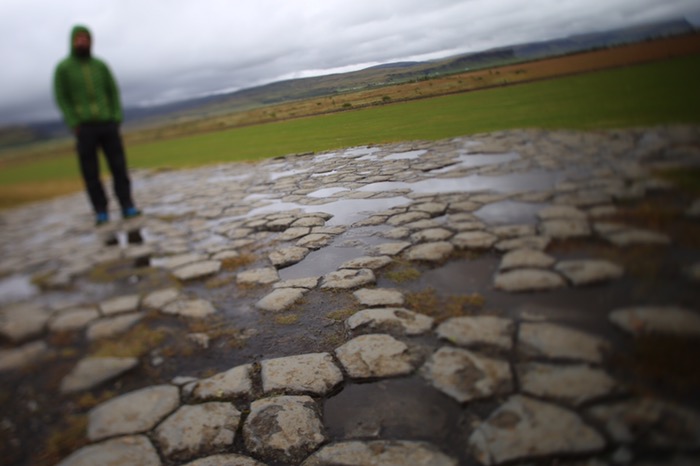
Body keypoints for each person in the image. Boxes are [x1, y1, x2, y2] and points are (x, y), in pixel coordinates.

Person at [53, 25, 140, 226]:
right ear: (72, 41)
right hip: (84, 127)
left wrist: (116, 116)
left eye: (86, 38)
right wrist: (74, 122)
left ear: (91, 41)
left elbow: (113, 91)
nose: (82, 41)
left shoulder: (100, 65)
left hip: (107, 123)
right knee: (90, 172)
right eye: (78, 38)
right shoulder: (63, 68)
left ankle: (127, 205)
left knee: (119, 167)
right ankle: (101, 211)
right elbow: (62, 98)